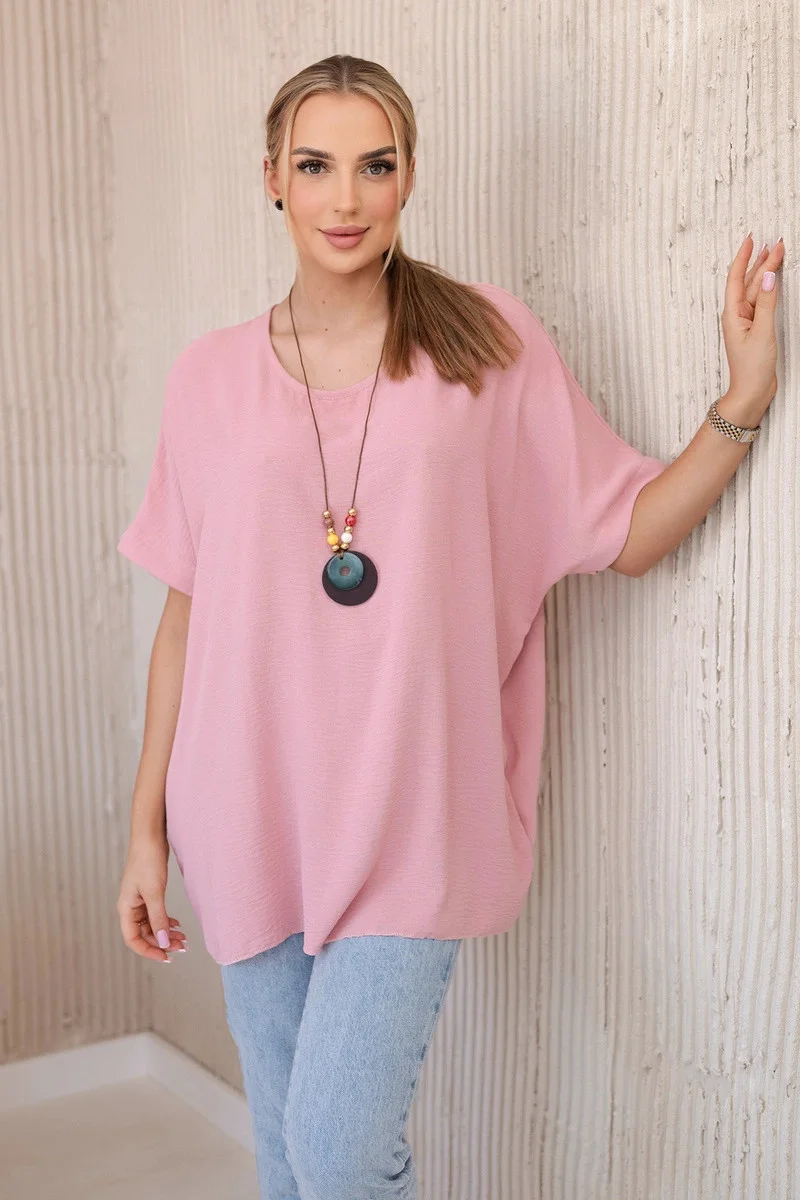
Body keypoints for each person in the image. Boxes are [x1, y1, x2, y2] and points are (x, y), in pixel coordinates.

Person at [114, 53, 783, 1200]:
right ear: (270, 178)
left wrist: (742, 399)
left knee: (336, 1150)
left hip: (414, 818)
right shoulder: (207, 379)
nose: (344, 197)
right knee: (287, 1158)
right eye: (314, 167)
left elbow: (622, 531)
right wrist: (146, 830)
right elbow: (188, 615)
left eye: (373, 166)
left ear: (409, 175)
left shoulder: (484, 347)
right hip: (245, 812)